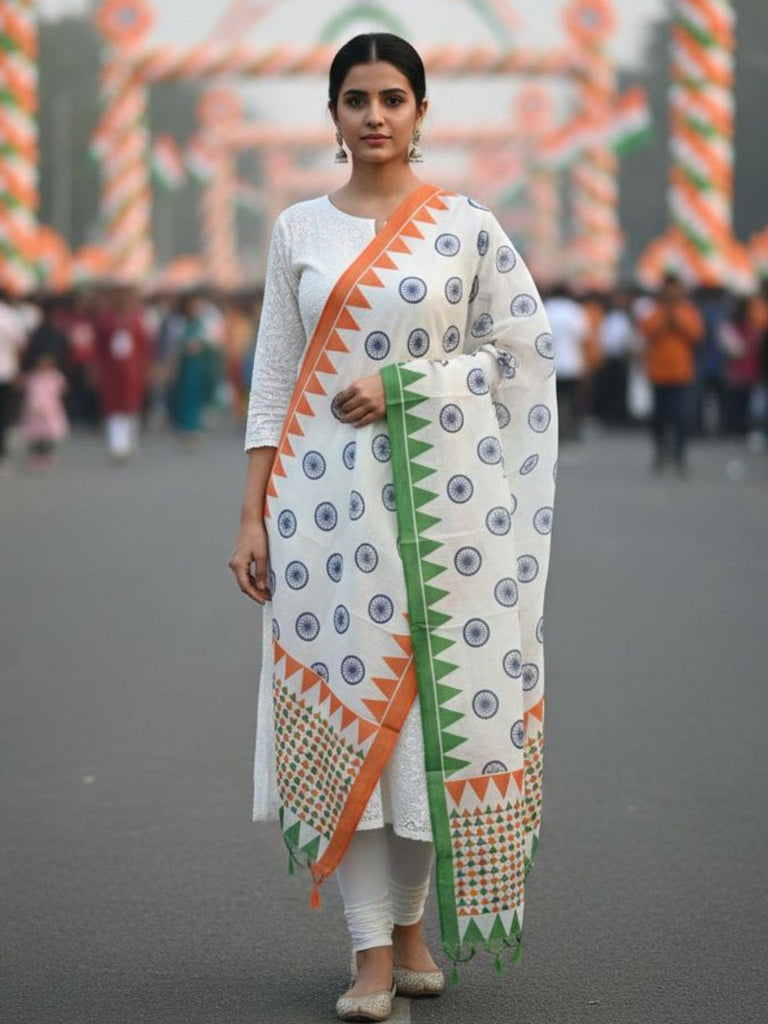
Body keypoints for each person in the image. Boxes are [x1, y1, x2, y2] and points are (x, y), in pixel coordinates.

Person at [228, 34, 557, 1023]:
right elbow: (276, 378)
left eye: (394, 98)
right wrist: (251, 512)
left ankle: (412, 927)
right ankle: (371, 951)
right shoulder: (298, 231)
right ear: (331, 114)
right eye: (357, 98)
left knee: (432, 723)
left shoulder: (465, 229)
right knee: (358, 707)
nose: (375, 115)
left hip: (451, 514)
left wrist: (410, 384)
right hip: (322, 511)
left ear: (423, 111)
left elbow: (522, 354)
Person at [639, 272, 704, 475]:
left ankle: (679, 454)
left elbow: (697, 335)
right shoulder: (655, 311)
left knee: (681, 417)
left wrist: (676, 320)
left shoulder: (688, 311)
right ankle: (660, 452)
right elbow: (646, 331)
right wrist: (664, 320)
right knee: (659, 416)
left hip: (681, 373)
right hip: (658, 373)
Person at [93, 285, 150, 462]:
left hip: (132, 372)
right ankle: (118, 445)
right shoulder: (105, 320)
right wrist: (96, 369)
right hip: (111, 372)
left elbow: (145, 347)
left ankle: (130, 442)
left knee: (132, 406)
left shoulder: (137, 320)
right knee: (114, 408)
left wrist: (146, 368)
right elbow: (98, 348)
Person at [544, 282, 589, 441]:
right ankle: (573, 431)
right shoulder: (575, 310)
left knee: (552, 400)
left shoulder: (545, 308)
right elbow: (583, 335)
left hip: (550, 363)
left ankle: (554, 432)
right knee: (573, 399)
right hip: (571, 362)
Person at [20, 352, 68, 470]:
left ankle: (47, 456)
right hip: (34, 411)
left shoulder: (55, 378)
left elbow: (62, 392)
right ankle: (36, 457)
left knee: (48, 436)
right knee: (35, 436)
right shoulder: (33, 378)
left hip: (50, 411)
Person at [0, 288, 27, 473]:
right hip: (6, 371)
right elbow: (21, 345)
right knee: (3, 413)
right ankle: (2, 453)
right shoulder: (10, 317)